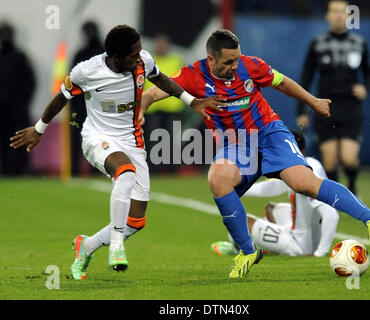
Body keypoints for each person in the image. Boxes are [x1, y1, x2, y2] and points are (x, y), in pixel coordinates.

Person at [140, 29, 370, 279]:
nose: (235, 65)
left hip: (269, 133)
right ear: (211, 60)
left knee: (303, 182)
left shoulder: (251, 66)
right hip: (235, 145)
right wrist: (141, 111)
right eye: (228, 61)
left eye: (236, 59)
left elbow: (283, 83)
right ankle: (248, 251)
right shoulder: (193, 75)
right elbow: (152, 93)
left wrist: (312, 101)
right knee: (218, 179)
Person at [10, 25, 225, 280]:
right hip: (98, 138)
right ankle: (116, 247)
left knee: (135, 221)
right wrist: (39, 129)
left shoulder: (143, 60)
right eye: (132, 56)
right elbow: (61, 98)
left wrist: (192, 101)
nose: (138, 59)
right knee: (125, 173)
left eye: (139, 52)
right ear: (115, 57)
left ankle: (87, 245)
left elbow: (162, 79)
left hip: (132, 141)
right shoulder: (87, 71)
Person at [211, 130, 339, 257]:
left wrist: (319, 254)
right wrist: (237, 190)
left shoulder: (308, 174)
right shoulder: (308, 165)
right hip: (312, 232)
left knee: (239, 222)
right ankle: (274, 245)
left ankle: (238, 250)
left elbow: (332, 215)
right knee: (272, 209)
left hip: (300, 245)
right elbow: (276, 186)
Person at [296, 0, 370, 195]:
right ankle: (339, 195)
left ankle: (352, 186)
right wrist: (302, 110)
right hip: (325, 107)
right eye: (334, 11)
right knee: (329, 161)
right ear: (328, 16)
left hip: (350, 108)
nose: (339, 15)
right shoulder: (318, 43)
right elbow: (306, 77)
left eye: (343, 12)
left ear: (349, 16)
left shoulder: (359, 43)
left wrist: (365, 87)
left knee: (349, 158)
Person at [143, 34, 185, 174]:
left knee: (171, 140)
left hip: (172, 107)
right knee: (154, 140)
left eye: (163, 44)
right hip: (153, 106)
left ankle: (173, 169)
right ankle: (154, 169)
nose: (161, 47)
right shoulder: (148, 62)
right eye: (159, 44)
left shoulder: (175, 60)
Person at [0, 22, 35, 176]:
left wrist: (23, 103)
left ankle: (22, 169)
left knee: (21, 140)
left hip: (18, 110)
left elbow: (30, 82)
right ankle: (5, 169)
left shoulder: (21, 57)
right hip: (2, 110)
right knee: (3, 141)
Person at [70, 21, 105, 176]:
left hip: (95, 104)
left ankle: (91, 169)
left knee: (96, 138)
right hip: (84, 104)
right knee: (81, 138)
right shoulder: (99, 54)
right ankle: (76, 169)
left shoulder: (103, 54)